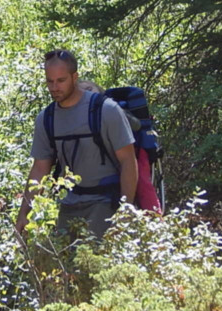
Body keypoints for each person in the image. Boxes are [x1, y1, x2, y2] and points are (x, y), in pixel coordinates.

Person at [15, 50, 137, 239]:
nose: (54, 87)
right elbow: (40, 168)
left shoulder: (107, 110)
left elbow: (128, 161)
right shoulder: (46, 119)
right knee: (62, 264)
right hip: (69, 205)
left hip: (106, 203)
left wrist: (126, 209)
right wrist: (25, 213)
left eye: (61, 80)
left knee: (91, 261)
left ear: (75, 77)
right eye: (50, 81)